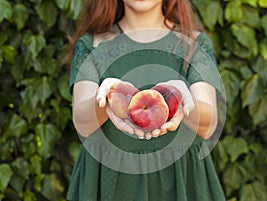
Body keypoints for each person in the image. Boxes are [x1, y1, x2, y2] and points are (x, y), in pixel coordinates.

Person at [66, 0, 226, 200]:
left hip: (180, 182)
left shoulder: (193, 44)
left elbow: (207, 125)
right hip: (111, 182)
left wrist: (184, 98)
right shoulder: (92, 45)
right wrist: (106, 100)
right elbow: (82, 123)